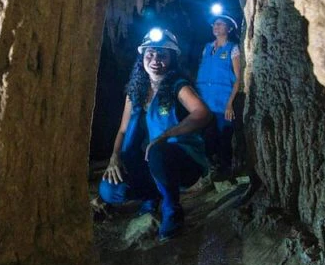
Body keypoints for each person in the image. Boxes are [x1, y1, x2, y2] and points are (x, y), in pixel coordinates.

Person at [100, 28, 211, 240]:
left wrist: (165, 135)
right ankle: (151, 197)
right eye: (150, 53)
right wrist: (114, 157)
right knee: (110, 190)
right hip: (151, 161)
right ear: (142, 56)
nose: (155, 59)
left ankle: (172, 210)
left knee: (158, 151)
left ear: (172, 59)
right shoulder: (135, 92)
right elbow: (123, 130)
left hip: (182, 162)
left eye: (162, 55)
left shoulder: (178, 86)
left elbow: (203, 114)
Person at [195, 12, 242, 178]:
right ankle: (210, 170)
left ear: (229, 28)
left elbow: (238, 78)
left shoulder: (233, 48)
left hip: (223, 103)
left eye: (221, 24)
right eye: (215, 24)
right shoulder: (207, 48)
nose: (216, 26)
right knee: (207, 136)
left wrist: (230, 103)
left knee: (224, 138)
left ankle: (226, 170)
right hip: (205, 101)